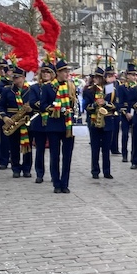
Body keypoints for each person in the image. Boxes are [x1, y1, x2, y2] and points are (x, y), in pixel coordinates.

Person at [39, 58, 76, 193]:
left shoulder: (71, 86)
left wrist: (72, 111)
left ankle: (65, 183)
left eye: (68, 71)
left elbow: (74, 103)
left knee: (67, 156)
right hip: (54, 124)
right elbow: (42, 105)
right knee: (55, 155)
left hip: (68, 125)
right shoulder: (48, 87)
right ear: (58, 73)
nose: (67, 74)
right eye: (64, 71)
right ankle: (56, 183)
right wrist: (54, 109)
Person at [0, 65, 33, 178]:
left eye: (17, 77)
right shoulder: (7, 90)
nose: (14, 79)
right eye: (13, 77)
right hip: (12, 120)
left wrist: (31, 109)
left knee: (27, 146)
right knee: (14, 147)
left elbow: (36, 106)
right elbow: (0, 106)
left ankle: (27, 169)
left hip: (26, 121)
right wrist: (4, 117)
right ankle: (16, 168)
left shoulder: (31, 90)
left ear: (23, 78)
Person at [83, 66, 117, 180]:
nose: (96, 79)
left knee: (106, 148)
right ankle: (95, 170)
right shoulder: (89, 90)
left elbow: (116, 105)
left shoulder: (109, 88)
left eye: (98, 77)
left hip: (107, 120)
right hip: (94, 121)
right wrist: (95, 105)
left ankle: (107, 171)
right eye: (95, 77)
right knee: (95, 147)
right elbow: (86, 106)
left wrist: (105, 103)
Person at [28, 61, 55, 184]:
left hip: (53, 120)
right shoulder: (35, 87)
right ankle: (39, 173)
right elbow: (33, 102)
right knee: (39, 149)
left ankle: (54, 174)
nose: (45, 74)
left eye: (48, 72)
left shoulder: (56, 87)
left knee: (54, 150)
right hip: (39, 120)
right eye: (43, 71)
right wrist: (46, 105)